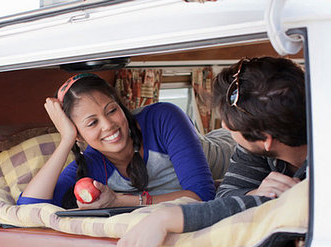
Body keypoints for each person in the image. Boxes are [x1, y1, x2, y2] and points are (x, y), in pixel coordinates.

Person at [109, 56, 308, 247]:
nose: (224, 125)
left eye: (230, 124)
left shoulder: (328, 165)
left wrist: (164, 218)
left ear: (266, 140)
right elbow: (224, 198)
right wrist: (256, 193)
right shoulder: (253, 146)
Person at [17, 73, 215, 209]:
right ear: (78, 133)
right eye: (92, 123)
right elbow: (28, 207)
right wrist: (66, 139)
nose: (108, 125)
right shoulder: (92, 163)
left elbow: (204, 195)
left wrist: (121, 201)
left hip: (221, 148)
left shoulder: (163, 118)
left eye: (112, 110)